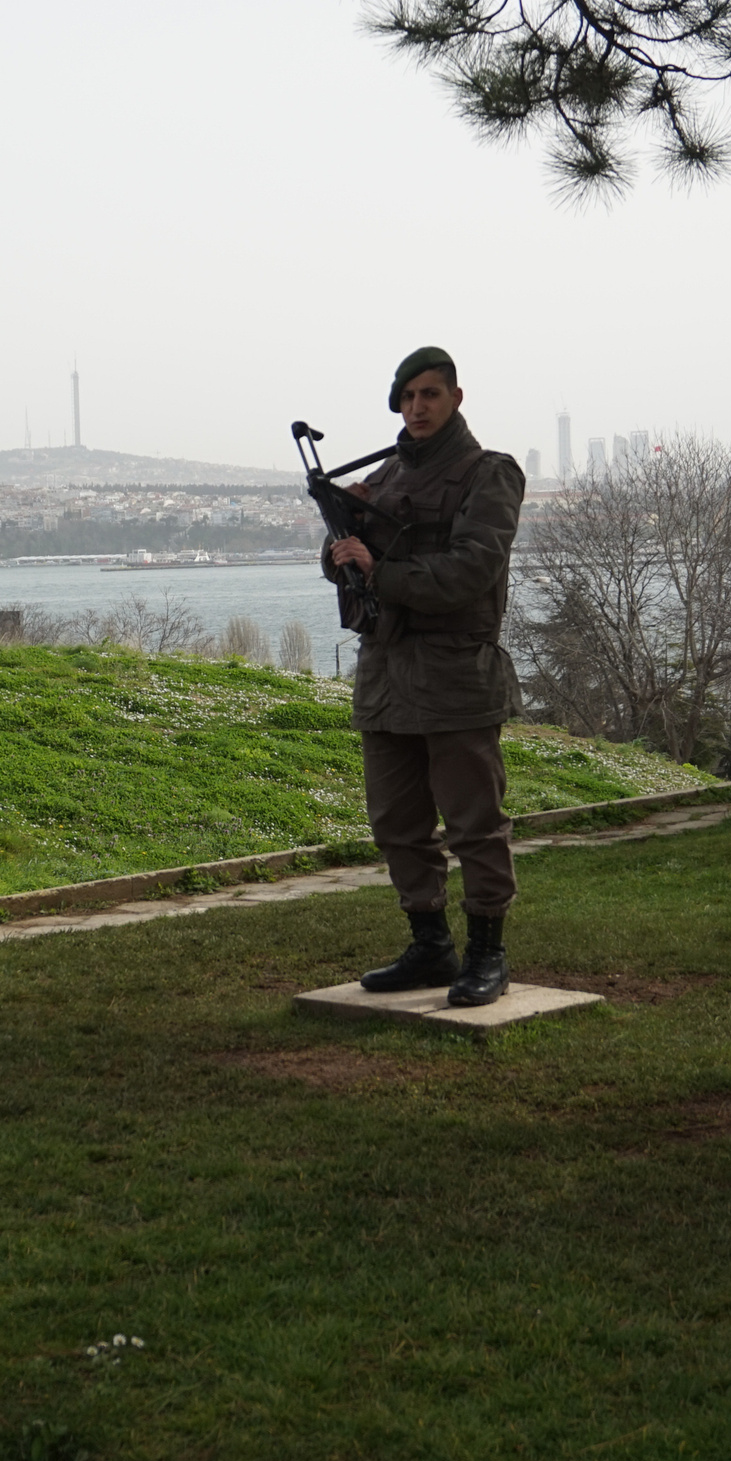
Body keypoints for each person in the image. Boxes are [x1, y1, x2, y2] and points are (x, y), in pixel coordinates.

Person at [321, 345, 525, 1006]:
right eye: (408, 398)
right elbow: (344, 566)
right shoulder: (383, 476)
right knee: (396, 822)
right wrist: (342, 541)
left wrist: (380, 569)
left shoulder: (487, 474)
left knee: (474, 823)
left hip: (456, 672)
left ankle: (487, 953)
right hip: (386, 672)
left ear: (456, 399)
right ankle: (430, 945)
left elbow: (472, 569)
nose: (418, 408)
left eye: (430, 395)